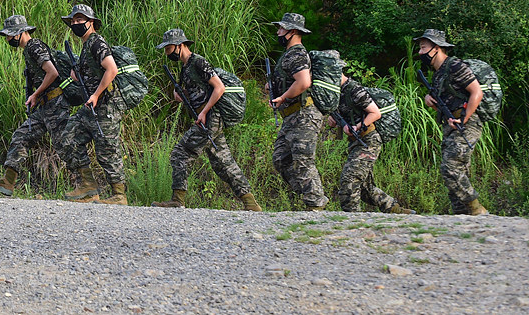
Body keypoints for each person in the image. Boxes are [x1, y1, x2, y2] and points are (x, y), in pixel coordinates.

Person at [151, 29, 261, 211]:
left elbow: (219, 88)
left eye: (169, 48)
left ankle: (178, 200)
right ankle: (251, 204)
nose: (167, 53)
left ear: (180, 46)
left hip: (210, 118)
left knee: (180, 153)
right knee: (224, 163)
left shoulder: (198, 62)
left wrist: (204, 112)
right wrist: (181, 94)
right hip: (207, 118)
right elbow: (194, 92)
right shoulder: (186, 67)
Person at [0, 15, 72, 196]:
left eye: (10, 35)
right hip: (46, 106)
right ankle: (8, 182)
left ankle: (88, 186)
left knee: (65, 146)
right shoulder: (28, 50)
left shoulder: (34, 47)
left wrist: (35, 94)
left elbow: (52, 73)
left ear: (21, 33)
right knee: (21, 136)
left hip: (56, 105)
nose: (8, 39)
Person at [415, 29, 488, 215]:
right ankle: (461, 216)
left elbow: (476, 93)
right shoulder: (439, 73)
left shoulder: (454, 65)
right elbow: (447, 103)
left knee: (450, 167)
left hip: (467, 123)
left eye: (423, 47)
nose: (420, 52)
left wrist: (464, 119)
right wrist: (430, 100)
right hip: (451, 124)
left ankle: (477, 210)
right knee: (456, 171)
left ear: (436, 48)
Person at [59, 4, 126, 205]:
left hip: (106, 105)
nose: (75, 24)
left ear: (91, 23)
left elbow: (111, 69)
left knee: (107, 149)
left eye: (80, 20)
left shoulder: (97, 42)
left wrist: (96, 94)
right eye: (73, 21)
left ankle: (119, 195)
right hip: (92, 106)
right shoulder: (86, 46)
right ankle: (88, 187)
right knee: (69, 136)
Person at [332, 68, 414, 214]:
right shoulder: (336, 93)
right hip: (356, 142)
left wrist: (356, 127)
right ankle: (395, 210)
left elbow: (375, 113)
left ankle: (351, 221)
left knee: (350, 180)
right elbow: (334, 120)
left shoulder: (354, 89)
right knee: (364, 188)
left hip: (369, 140)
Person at [269, 13, 329, 210]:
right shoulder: (289, 54)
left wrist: (283, 96)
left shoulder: (296, 53)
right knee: (280, 159)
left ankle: (316, 205)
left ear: (292, 31)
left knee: (303, 161)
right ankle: (311, 196)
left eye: (281, 29)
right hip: (292, 117)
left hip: (304, 115)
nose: (278, 32)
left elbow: (303, 82)